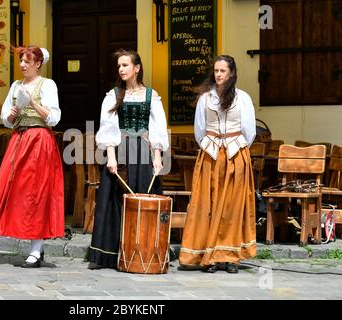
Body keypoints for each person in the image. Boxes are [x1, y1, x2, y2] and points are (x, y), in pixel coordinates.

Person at [87, 48, 169, 270]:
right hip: (120, 151)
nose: (121, 69)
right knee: (114, 199)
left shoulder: (151, 95)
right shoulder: (113, 95)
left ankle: (143, 249)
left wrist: (158, 156)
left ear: (137, 68)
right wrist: (111, 158)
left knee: (143, 196)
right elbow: (108, 127)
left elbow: (158, 128)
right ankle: (107, 254)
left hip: (143, 151)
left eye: (125, 65)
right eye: (119, 66)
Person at [0, 46, 64, 268]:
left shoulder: (47, 85)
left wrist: (33, 104)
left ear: (38, 63)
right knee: (16, 191)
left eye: (28, 61)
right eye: (21, 60)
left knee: (36, 193)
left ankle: (36, 250)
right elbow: (6, 117)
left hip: (39, 141)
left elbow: (54, 117)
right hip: (19, 140)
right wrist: (11, 114)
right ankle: (23, 238)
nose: (23, 65)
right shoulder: (15, 85)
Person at [179, 55, 257, 274]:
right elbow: (199, 130)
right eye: (216, 71)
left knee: (233, 206)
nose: (219, 74)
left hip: (235, 156)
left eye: (223, 71)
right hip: (211, 156)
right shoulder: (206, 99)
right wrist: (210, 145)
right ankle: (209, 255)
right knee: (208, 204)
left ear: (231, 73)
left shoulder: (243, 98)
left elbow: (249, 131)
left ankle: (230, 257)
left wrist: (236, 149)